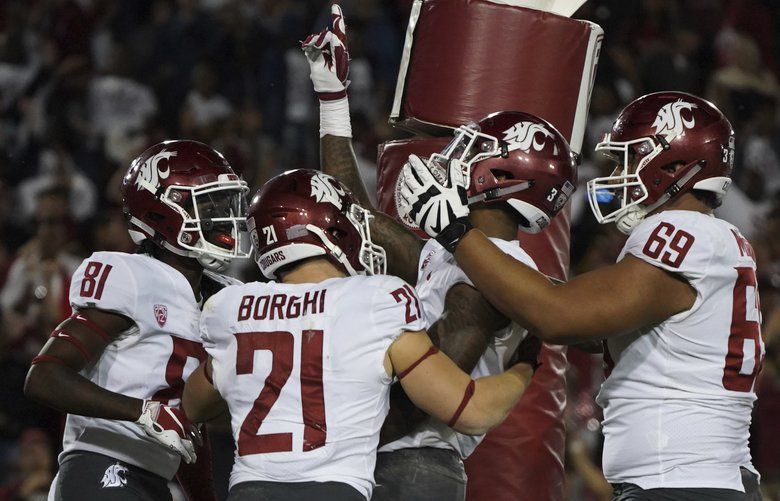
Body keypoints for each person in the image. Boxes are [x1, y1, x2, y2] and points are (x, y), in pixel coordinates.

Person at [400, 91, 764, 500]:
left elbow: (557, 316)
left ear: (676, 165)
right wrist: (508, 280)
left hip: (682, 482)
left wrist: (456, 232)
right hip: (695, 479)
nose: (619, 172)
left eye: (628, 158)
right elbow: (585, 321)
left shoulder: (683, 232)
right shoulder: (711, 239)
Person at [300, 5, 576, 499]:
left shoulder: (498, 276)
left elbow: (426, 400)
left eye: (475, 150)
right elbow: (354, 218)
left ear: (503, 178)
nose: (455, 158)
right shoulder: (462, 255)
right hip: (393, 458)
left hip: (409, 461)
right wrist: (332, 100)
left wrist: (332, 443)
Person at [181, 169, 537, 501]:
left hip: (249, 490)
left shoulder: (231, 307)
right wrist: (525, 367)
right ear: (333, 231)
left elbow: (193, 405)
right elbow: (470, 409)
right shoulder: (375, 299)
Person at [24, 140, 251, 501]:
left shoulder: (220, 297)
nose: (224, 217)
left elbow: (186, 426)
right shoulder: (130, 276)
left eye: (226, 203)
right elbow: (45, 376)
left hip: (152, 480)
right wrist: (141, 412)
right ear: (162, 213)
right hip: (100, 466)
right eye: (208, 205)